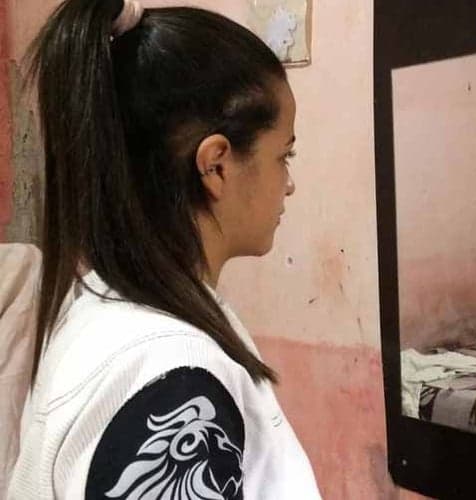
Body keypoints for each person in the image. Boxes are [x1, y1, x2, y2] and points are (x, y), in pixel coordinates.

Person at [8, 1, 321, 498]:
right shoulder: (171, 376)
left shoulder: (108, 307)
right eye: (284, 155)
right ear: (216, 164)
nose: (290, 185)